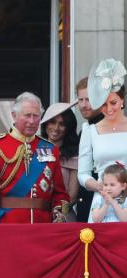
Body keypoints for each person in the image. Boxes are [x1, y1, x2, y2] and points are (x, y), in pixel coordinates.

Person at [0, 92, 70, 224]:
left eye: (36, 116)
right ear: (14, 116)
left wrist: (59, 213)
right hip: (8, 224)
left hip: (43, 225)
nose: (32, 121)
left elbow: (60, 193)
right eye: (27, 115)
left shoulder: (51, 149)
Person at [78, 58, 127, 222]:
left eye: (113, 102)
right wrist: (99, 186)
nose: (109, 109)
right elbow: (83, 173)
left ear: (122, 101)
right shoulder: (90, 130)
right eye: (103, 104)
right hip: (101, 201)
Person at [40, 102, 80, 221]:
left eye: (62, 124)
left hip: (63, 217)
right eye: (52, 122)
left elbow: (72, 196)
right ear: (45, 123)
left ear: (68, 128)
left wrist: (58, 214)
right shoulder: (32, 148)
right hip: (37, 215)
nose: (56, 128)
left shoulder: (74, 155)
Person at [75, 76, 104, 222]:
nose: (84, 105)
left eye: (89, 99)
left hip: (106, 201)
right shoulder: (85, 130)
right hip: (86, 200)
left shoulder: (107, 128)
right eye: (80, 100)